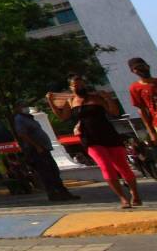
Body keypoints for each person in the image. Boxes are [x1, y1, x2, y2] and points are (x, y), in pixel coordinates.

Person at [48, 76, 141, 208]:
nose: (79, 87)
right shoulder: (70, 101)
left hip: (108, 134)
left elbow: (114, 112)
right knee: (105, 166)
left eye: (81, 84)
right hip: (89, 137)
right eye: (76, 85)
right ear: (71, 87)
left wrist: (108, 98)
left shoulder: (97, 98)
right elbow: (63, 117)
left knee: (122, 166)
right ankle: (123, 198)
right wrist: (51, 103)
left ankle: (135, 194)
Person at [13, 106, 77, 201]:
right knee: (47, 172)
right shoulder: (20, 119)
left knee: (53, 170)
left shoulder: (29, 118)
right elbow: (22, 134)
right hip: (36, 150)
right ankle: (54, 193)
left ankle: (62, 192)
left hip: (43, 148)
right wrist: (36, 146)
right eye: (23, 106)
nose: (26, 108)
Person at [127, 58, 157, 149]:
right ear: (133, 71)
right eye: (136, 68)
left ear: (147, 66)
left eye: (142, 66)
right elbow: (142, 111)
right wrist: (151, 133)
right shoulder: (135, 88)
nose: (141, 69)